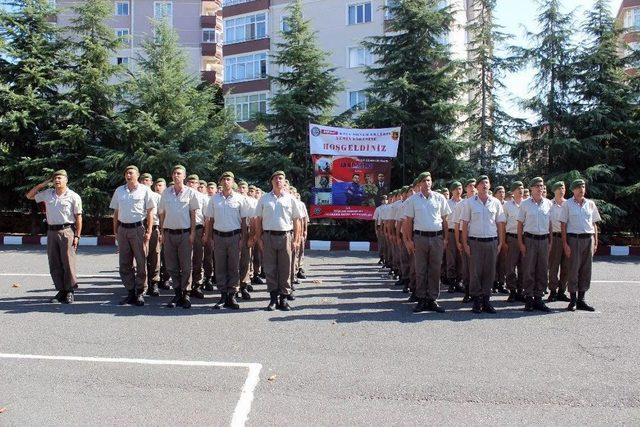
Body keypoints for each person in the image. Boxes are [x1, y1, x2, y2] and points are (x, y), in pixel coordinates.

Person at [26, 170, 83, 304]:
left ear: (66, 180)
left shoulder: (74, 196)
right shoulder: (47, 194)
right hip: (51, 232)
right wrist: (42, 184)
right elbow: (29, 196)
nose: (57, 180)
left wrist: (77, 236)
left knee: (68, 262)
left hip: (67, 231)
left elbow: (78, 217)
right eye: (55, 178)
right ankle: (61, 290)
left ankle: (70, 291)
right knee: (54, 262)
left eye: (60, 178)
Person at [249, 171, 303, 311]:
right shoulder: (264, 199)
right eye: (276, 179)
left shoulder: (291, 199)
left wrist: (296, 240)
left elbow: (297, 220)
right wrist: (259, 238)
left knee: (285, 268)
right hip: (268, 236)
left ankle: (283, 299)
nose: (278, 181)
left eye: (281, 179)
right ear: (271, 181)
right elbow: (258, 220)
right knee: (270, 268)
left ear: (284, 182)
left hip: (286, 236)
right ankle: (273, 299)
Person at [203, 171, 253, 309]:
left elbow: (244, 221)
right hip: (218, 236)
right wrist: (210, 237)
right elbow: (210, 220)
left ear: (233, 182)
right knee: (220, 266)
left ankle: (232, 295)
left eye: (229, 179)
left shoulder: (240, 198)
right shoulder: (214, 199)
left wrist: (243, 237)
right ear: (220, 182)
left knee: (233, 266)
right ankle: (223, 295)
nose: (226, 182)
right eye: (224, 179)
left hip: (235, 236)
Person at [402, 172, 451, 313]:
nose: (427, 183)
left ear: (432, 182)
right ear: (419, 184)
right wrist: (409, 240)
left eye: (429, 180)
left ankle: (433, 299)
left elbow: (445, 220)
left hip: (437, 238)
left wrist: (446, 238)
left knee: (435, 269)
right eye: (423, 181)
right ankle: (421, 298)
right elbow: (408, 222)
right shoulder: (413, 200)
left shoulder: (440, 198)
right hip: (420, 238)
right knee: (421, 269)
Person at [110, 165, 156, 306]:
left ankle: (140, 292)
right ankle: (130, 291)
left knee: (141, 262)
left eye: (131, 173)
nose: (128, 175)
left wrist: (148, 231)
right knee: (124, 263)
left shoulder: (145, 190)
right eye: (126, 173)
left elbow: (150, 213)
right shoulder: (119, 191)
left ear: (137, 175)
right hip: (123, 229)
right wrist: (116, 232)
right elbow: (116, 213)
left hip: (138, 229)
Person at [460, 175, 506, 314]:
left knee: (489, 272)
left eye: (487, 183)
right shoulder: (469, 203)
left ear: (490, 185)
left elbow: (500, 223)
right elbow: (465, 224)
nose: (484, 185)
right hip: (475, 242)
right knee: (475, 272)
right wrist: (465, 244)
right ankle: (476, 300)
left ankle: (486, 300)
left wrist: (501, 242)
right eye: (481, 183)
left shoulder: (496, 202)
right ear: (476, 187)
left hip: (491, 241)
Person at [159, 165, 200, 309]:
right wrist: (162, 233)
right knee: (172, 265)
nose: (176, 176)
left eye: (179, 173)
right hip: (169, 233)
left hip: (185, 234)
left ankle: (186, 293)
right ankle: (177, 293)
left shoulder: (191, 193)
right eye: (174, 173)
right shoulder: (166, 193)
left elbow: (193, 215)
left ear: (184, 176)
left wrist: (193, 233)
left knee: (186, 266)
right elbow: (162, 214)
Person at [560, 179, 601, 311]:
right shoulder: (568, 204)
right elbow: (563, 225)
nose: (581, 189)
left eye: (583, 186)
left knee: (586, 270)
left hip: (588, 239)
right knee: (573, 269)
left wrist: (595, 241)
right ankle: (572, 300)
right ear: (573, 190)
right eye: (578, 187)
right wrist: (565, 244)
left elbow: (594, 224)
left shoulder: (590, 204)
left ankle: (581, 299)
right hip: (574, 239)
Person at [517, 177, 553, 312]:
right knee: (529, 270)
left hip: (543, 240)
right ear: (531, 188)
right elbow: (520, 224)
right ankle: (529, 299)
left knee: (542, 270)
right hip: (530, 240)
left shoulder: (548, 203)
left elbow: (549, 224)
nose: (540, 188)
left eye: (542, 185)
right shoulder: (525, 204)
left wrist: (551, 242)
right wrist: (521, 242)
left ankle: (539, 298)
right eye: (537, 186)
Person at [452, 178, 477, 302]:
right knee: (466, 266)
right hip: (465, 236)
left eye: (474, 186)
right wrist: (458, 241)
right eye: (469, 186)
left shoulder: (481, 202)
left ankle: (478, 293)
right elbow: (457, 225)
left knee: (478, 266)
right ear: (466, 189)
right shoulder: (460, 205)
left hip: (478, 236)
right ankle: (467, 291)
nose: (472, 188)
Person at [185, 174, 208, 299]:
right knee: (185, 260)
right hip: (185, 230)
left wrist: (205, 234)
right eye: (190, 182)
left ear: (198, 184)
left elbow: (207, 218)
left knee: (198, 258)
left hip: (199, 229)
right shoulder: (183, 195)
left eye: (194, 182)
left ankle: (197, 285)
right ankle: (186, 287)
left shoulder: (203, 197)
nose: (192, 184)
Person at [548, 181, 570, 302]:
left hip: (567, 238)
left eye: (563, 187)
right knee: (553, 266)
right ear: (554, 190)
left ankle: (562, 291)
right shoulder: (549, 204)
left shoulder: (569, 204)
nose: (562, 190)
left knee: (566, 266)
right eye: (559, 188)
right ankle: (552, 291)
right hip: (555, 238)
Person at [140, 173, 162, 297]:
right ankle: (142, 285)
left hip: (154, 228)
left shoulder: (156, 197)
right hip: (140, 227)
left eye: (147, 180)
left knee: (154, 257)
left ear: (151, 183)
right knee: (141, 257)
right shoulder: (136, 195)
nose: (144, 182)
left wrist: (161, 231)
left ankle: (154, 283)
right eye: (142, 180)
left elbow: (161, 214)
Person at [504, 181, 525, 302]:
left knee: (523, 267)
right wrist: (504, 241)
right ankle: (512, 290)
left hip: (525, 238)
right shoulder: (507, 206)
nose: (520, 190)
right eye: (517, 188)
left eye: (522, 188)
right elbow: (503, 224)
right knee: (510, 267)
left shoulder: (527, 204)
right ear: (513, 192)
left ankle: (520, 291)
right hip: (511, 238)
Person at [445, 181, 464, 293]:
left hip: (462, 232)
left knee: (461, 257)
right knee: (451, 257)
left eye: (460, 188)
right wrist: (445, 237)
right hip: (451, 232)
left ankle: (459, 281)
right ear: (452, 190)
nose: (458, 191)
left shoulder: (465, 203)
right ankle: (451, 282)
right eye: (456, 188)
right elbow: (445, 221)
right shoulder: (447, 203)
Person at [154, 178, 171, 290]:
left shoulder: (167, 198)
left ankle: (165, 279)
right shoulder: (151, 196)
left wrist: (162, 231)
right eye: (156, 185)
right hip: (154, 229)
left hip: (165, 230)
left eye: (160, 185)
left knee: (166, 257)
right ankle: (154, 280)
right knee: (155, 257)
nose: (157, 187)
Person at [492, 186, 509, 294]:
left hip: (506, 235)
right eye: (499, 192)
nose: (502, 194)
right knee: (494, 261)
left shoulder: (507, 205)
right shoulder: (493, 204)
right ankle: (493, 283)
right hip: (494, 235)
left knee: (503, 261)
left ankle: (501, 283)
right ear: (495, 194)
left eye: (503, 192)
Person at [203, 182, 217, 291]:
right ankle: (208, 278)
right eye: (209, 188)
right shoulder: (205, 199)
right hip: (208, 230)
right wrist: (207, 235)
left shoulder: (217, 199)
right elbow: (207, 219)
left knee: (218, 257)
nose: (210, 189)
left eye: (212, 188)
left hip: (219, 231)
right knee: (208, 257)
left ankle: (217, 276)